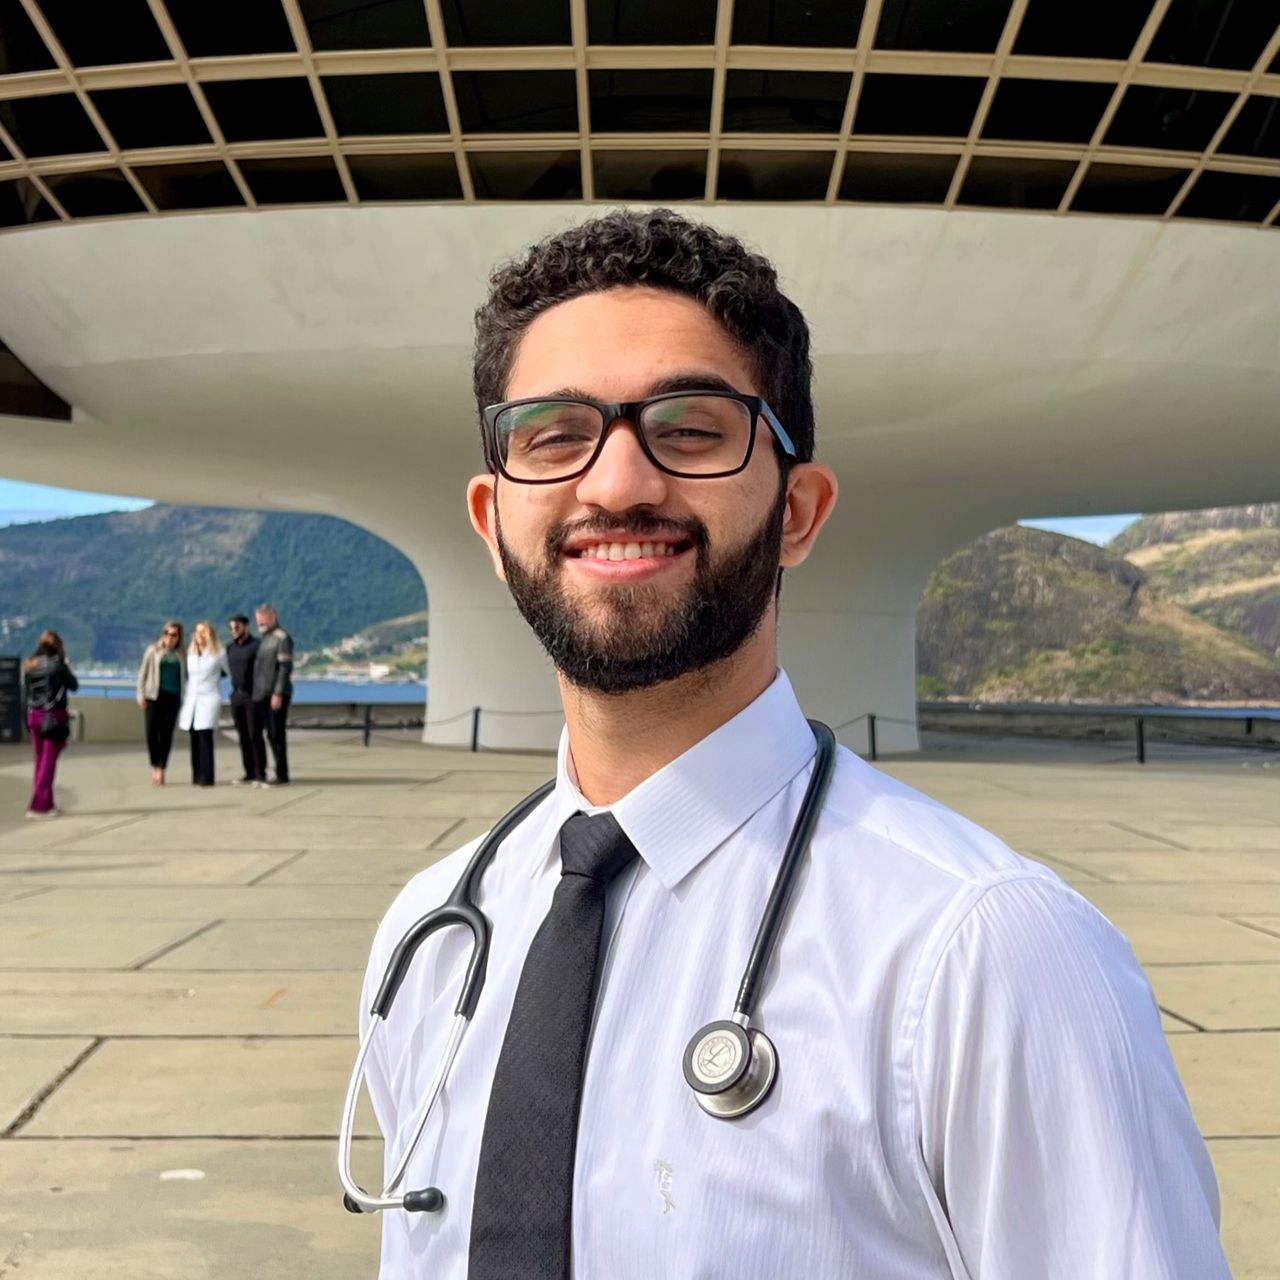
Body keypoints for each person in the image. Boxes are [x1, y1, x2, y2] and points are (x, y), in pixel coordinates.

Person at [356, 211, 1228, 1278]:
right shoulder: (432, 936)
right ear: (492, 522)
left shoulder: (985, 952)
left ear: (799, 510)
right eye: (553, 434)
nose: (616, 484)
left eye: (691, 428)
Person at [22, 629, 78, 818]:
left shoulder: (30, 665)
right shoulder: (58, 664)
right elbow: (74, 685)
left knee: (40, 761)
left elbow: (26, 694)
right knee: (48, 762)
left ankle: (48, 804)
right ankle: (38, 806)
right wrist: (66, 666)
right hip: (53, 717)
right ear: (59, 646)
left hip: (33, 716)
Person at [178, 620, 228, 787]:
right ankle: (196, 774)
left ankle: (207, 776)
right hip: (192, 699)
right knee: (194, 736)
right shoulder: (191, 653)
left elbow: (228, 670)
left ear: (209, 634)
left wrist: (215, 678)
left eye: (203, 632)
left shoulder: (218, 653)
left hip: (209, 698)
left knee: (205, 736)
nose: (199, 635)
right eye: (197, 631)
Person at [136, 620, 185, 786]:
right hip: (154, 696)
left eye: (174, 635)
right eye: (167, 633)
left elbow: (187, 676)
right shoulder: (153, 650)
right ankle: (155, 764)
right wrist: (140, 695)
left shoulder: (181, 655)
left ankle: (161, 768)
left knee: (166, 734)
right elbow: (142, 673)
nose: (170, 637)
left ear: (179, 637)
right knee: (151, 733)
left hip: (173, 697)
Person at [252, 604, 293, 785]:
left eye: (262, 619)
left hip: (274, 694)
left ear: (273, 617)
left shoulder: (282, 638)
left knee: (276, 734)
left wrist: (278, 692)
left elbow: (284, 668)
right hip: (261, 694)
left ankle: (282, 774)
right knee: (268, 734)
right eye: (258, 620)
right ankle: (268, 771)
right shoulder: (265, 639)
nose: (259, 622)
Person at [226, 614, 265, 786]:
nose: (234, 631)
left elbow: (263, 671)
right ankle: (248, 772)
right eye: (231, 628)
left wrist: (260, 694)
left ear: (246, 627)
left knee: (254, 734)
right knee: (242, 736)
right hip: (236, 695)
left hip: (252, 696)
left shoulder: (257, 646)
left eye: (237, 627)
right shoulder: (230, 648)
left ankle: (260, 773)